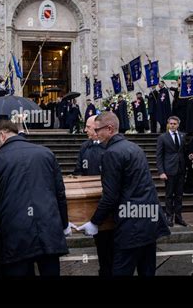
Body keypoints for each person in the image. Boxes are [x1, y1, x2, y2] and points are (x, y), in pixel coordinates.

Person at [77, 112, 170, 276]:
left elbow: (110, 195)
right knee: (147, 270)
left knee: (120, 270)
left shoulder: (111, 153)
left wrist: (94, 222)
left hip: (131, 225)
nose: (96, 134)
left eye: (98, 130)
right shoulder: (134, 147)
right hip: (150, 219)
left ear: (110, 129)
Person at [0, 120, 70, 276]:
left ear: (2, 135)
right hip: (48, 228)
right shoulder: (46, 153)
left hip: (14, 233)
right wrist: (63, 223)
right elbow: (60, 193)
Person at [73, 115, 113, 277]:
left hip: (110, 199)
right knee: (101, 243)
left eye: (88, 127)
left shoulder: (110, 147)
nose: (85, 130)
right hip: (93, 201)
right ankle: (104, 269)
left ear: (97, 128)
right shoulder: (85, 147)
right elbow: (79, 170)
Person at [156, 116, 187, 227]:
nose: (173, 125)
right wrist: (161, 171)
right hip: (169, 170)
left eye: (175, 123)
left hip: (181, 170)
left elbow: (184, 152)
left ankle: (178, 217)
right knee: (169, 195)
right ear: (168, 124)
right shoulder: (163, 137)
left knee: (179, 195)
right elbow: (159, 156)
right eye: (171, 123)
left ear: (178, 124)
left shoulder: (183, 136)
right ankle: (169, 216)